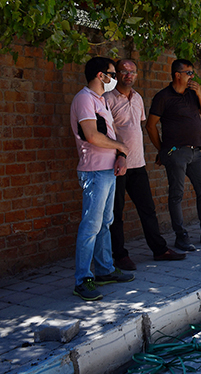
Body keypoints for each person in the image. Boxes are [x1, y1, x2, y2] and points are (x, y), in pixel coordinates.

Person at [104, 59, 186, 270]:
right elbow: (106, 133)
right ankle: (119, 255)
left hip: (138, 164)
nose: (128, 75)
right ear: (117, 75)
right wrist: (119, 154)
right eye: (123, 71)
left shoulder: (138, 98)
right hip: (116, 165)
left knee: (147, 209)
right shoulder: (107, 99)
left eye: (132, 71)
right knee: (116, 212)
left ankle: (159, 250)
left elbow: (137, 127)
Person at [70, 57, 134, 301]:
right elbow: (91, 135)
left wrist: (120, 154)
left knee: (105, 222)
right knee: (91, 226)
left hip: (108, 170)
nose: (114, 79)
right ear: (100, 75)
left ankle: (105, 270)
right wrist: (121, 146)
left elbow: (108, 133)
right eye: (111, 74)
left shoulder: (101, 101)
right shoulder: (84, 99)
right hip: (94, 171)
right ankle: (82, 279)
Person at [146, 59, 201, 251]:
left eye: (193, 73)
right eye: (189, 73)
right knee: (177, 194)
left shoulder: (193, 94)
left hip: (195, 152)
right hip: (176, 152)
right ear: (177, 75)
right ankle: (181, 236)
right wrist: (163, 150)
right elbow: (150, 126)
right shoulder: (163, 97)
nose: (192, 76)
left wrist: (199, 92)